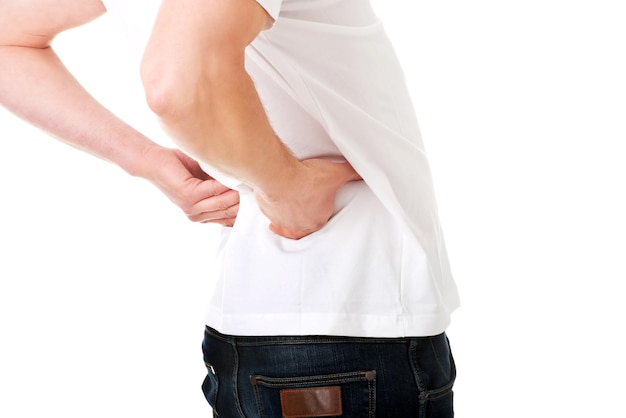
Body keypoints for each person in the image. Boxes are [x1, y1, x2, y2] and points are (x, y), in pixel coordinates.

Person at [0, 0, 460, 417]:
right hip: (351, 318)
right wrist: (288, 188)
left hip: (272, 324)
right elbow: (176, 84)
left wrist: (146, 159)